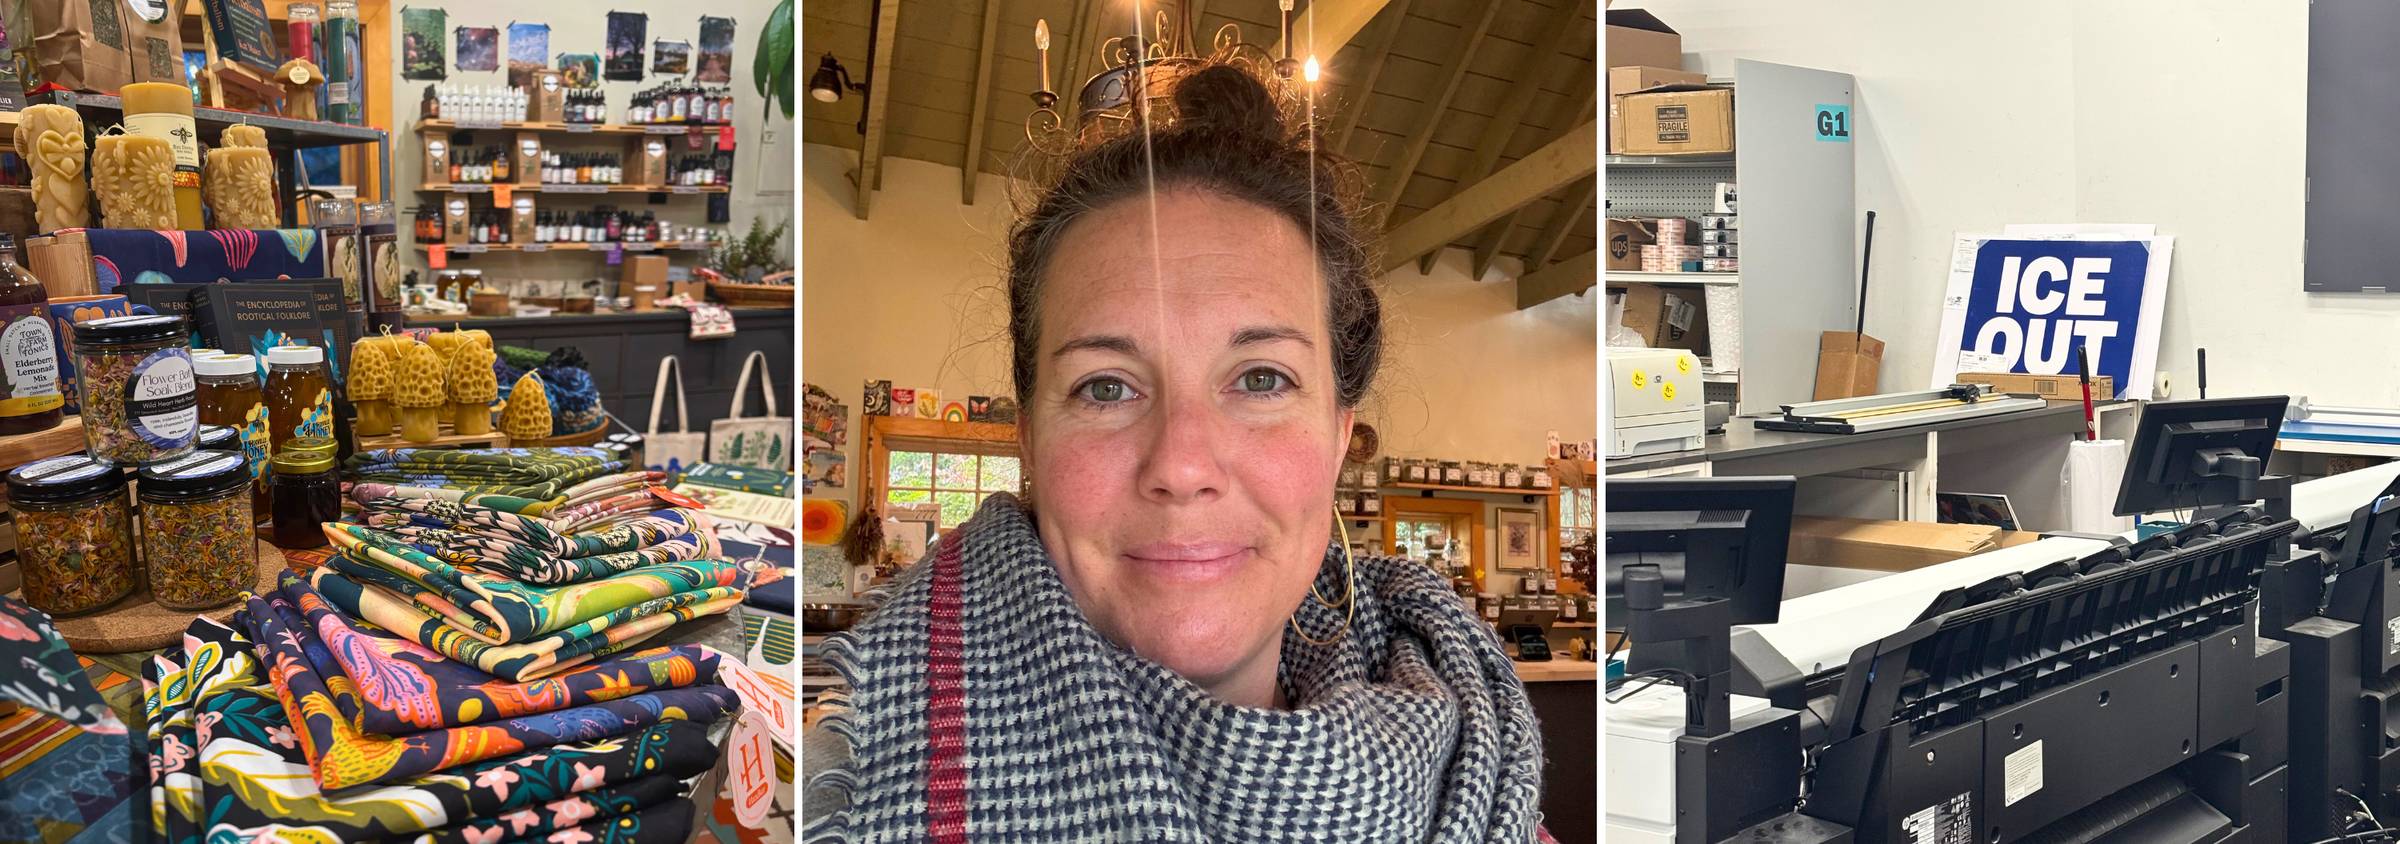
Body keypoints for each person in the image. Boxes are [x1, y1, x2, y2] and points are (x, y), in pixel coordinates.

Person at [805, 62, 1545, 840]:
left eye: (1261, 378)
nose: (1182, 466)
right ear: (1030, 440)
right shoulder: (842, 780)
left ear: (1337, 436)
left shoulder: (1485, 766)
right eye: (1106, 388)